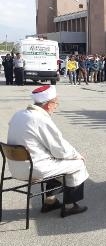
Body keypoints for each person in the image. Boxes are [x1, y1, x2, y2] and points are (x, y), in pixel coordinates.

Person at [6, 85, 88, 217]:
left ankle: (50, 201)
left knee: (56, 162)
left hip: (15, 167)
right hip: (33, 169)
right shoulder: (40, 119)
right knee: (78, 164)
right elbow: (60, 149)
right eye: (56, 104)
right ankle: (69, 206)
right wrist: (77, 155)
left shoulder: (18, 114)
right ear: (49, 104)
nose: (56, 107)